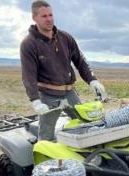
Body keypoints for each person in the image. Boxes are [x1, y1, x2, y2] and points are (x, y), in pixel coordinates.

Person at [20, 0, 106, 140]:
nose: (49, 19)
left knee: (85, 127)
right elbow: (28, 75)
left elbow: (80, 61)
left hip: (70, 93)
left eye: (51, 15)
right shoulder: (29, 44)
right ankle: (47, 161)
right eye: (44, 16)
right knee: (46, 137)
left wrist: (93, 80)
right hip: (48, 96)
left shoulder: (65, 38)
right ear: (34, 18)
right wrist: (35, 100)